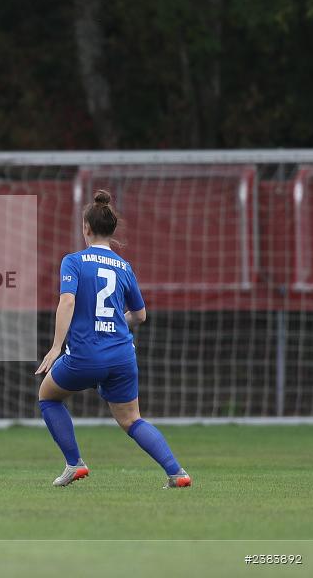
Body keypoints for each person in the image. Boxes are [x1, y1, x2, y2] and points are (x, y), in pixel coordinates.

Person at [35, 190, 191, 489]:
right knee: (132, 420)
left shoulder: (74, 261)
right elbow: (140, 315)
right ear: (112, 229)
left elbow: (67, 302)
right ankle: (177, 472)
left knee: (48, 396)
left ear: (86, 228)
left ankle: (74, 463)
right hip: (121, 355)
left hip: (86, 355)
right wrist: (116, 320)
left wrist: (56, 347)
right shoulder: (124, 266)